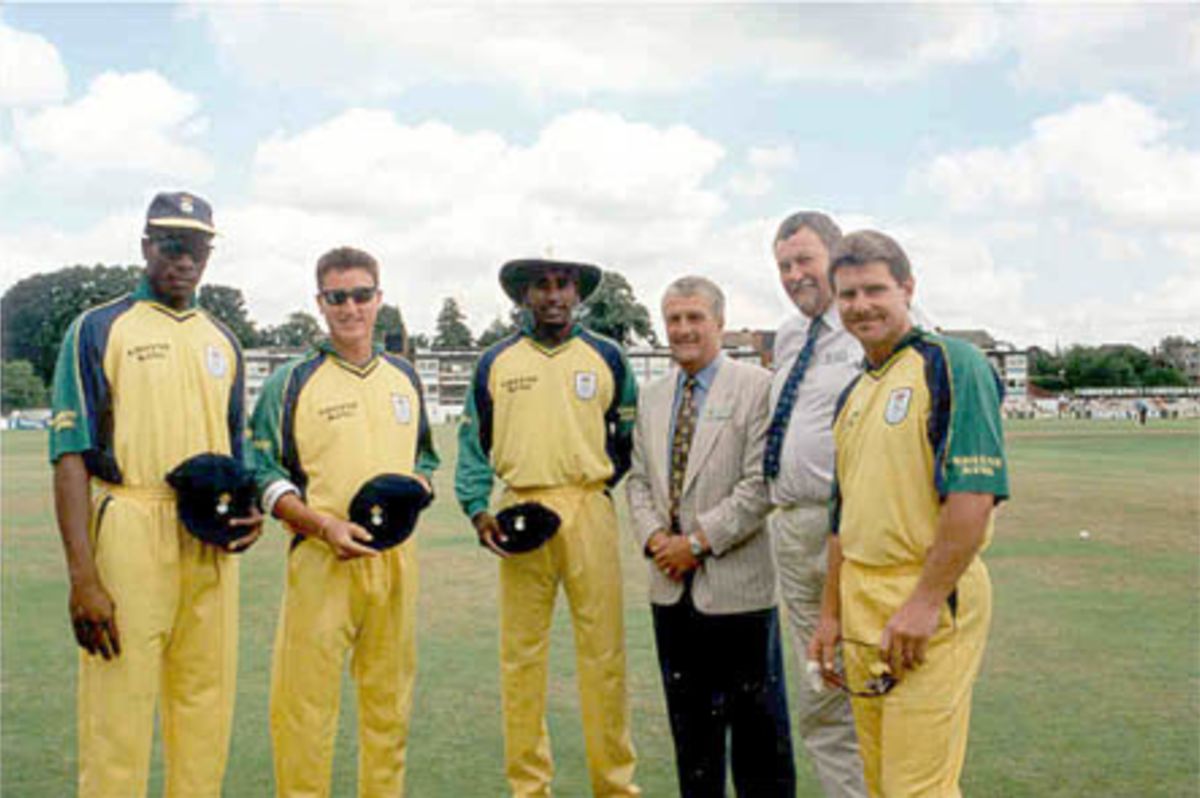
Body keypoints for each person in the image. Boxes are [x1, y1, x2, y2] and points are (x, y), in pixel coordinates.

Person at [49, 191, 262, 797]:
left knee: (205, 706)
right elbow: (69, 455)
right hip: (130, 524)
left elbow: (236, 452)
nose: (184, 260)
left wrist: (250, 511)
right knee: (118, 710)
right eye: (171, 245)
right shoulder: (98, 328)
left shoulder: (224, 340)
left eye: (197, 248)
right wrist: (83, 579)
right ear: (146, 246)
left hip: (209, 540)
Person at [810, 230, 1009, 797]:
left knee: (917, 787)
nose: (861, 305)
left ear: (907, 288)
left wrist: (924, 602)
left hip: (927, 599)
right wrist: (830, 615)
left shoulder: (952, 363)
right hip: (861, 599)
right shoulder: (854, 393)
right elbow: (842, 519)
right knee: (879, 781)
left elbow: (972, 497)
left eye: (875, 290)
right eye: (848, 295)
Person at [249, 246, 438, 797]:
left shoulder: (405, 376)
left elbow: (425, 458)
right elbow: (261, 471)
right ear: (320, 303)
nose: (350, 308)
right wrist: (320, 525)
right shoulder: (291, 382)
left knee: (389, 704)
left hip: (394, 560)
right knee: (305, 707)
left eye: (361, 295)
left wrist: (419, 487)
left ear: (379, 298)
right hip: (321, 558)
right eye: (337, 297)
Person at [455, 258, 640, 797]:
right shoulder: (496, 361)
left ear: (577, 293)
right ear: (523, 295)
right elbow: (473, 445)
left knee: (604, 656)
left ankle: (615, 785)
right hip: (520, 509)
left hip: (588, 506)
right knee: (522, 658)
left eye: (563, 285)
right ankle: (529, 786)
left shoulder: (608, 356)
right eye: (541, 285)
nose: (554, 295)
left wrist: (593, 485)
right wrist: (478, 510)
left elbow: (627, 438)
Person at [626, 276, 795, 797]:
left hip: (737, 589)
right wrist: (656, 540)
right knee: (693, 739)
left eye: (694, 317)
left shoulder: (757, 388)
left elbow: (760, 485)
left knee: (758, 739)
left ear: (720, 322)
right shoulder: (652, 397)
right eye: (673, 319)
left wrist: (696, 543)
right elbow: (638, 481)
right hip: (670, 590)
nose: (683, 329)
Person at [764, 212, 867, 798]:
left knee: (870, 677)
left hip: (851, 527)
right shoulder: (788, 335)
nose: (794, 274)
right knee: (822, 688)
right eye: (784, 265)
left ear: (837, 255)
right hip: (791, 527)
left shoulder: (869, 321)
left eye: (805, 260)